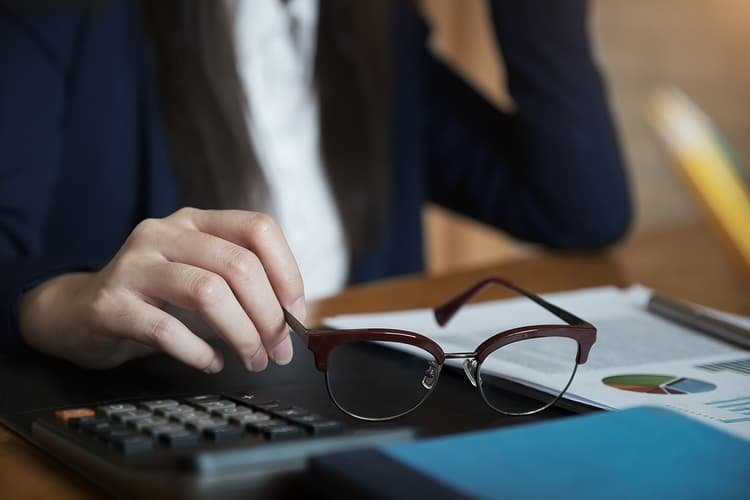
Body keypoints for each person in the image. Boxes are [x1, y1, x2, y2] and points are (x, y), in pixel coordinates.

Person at [0, 0, 631, 373]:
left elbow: (578, 209)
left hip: (362, 416)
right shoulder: (60, 17)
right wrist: (61, 303)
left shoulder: (375, 23)